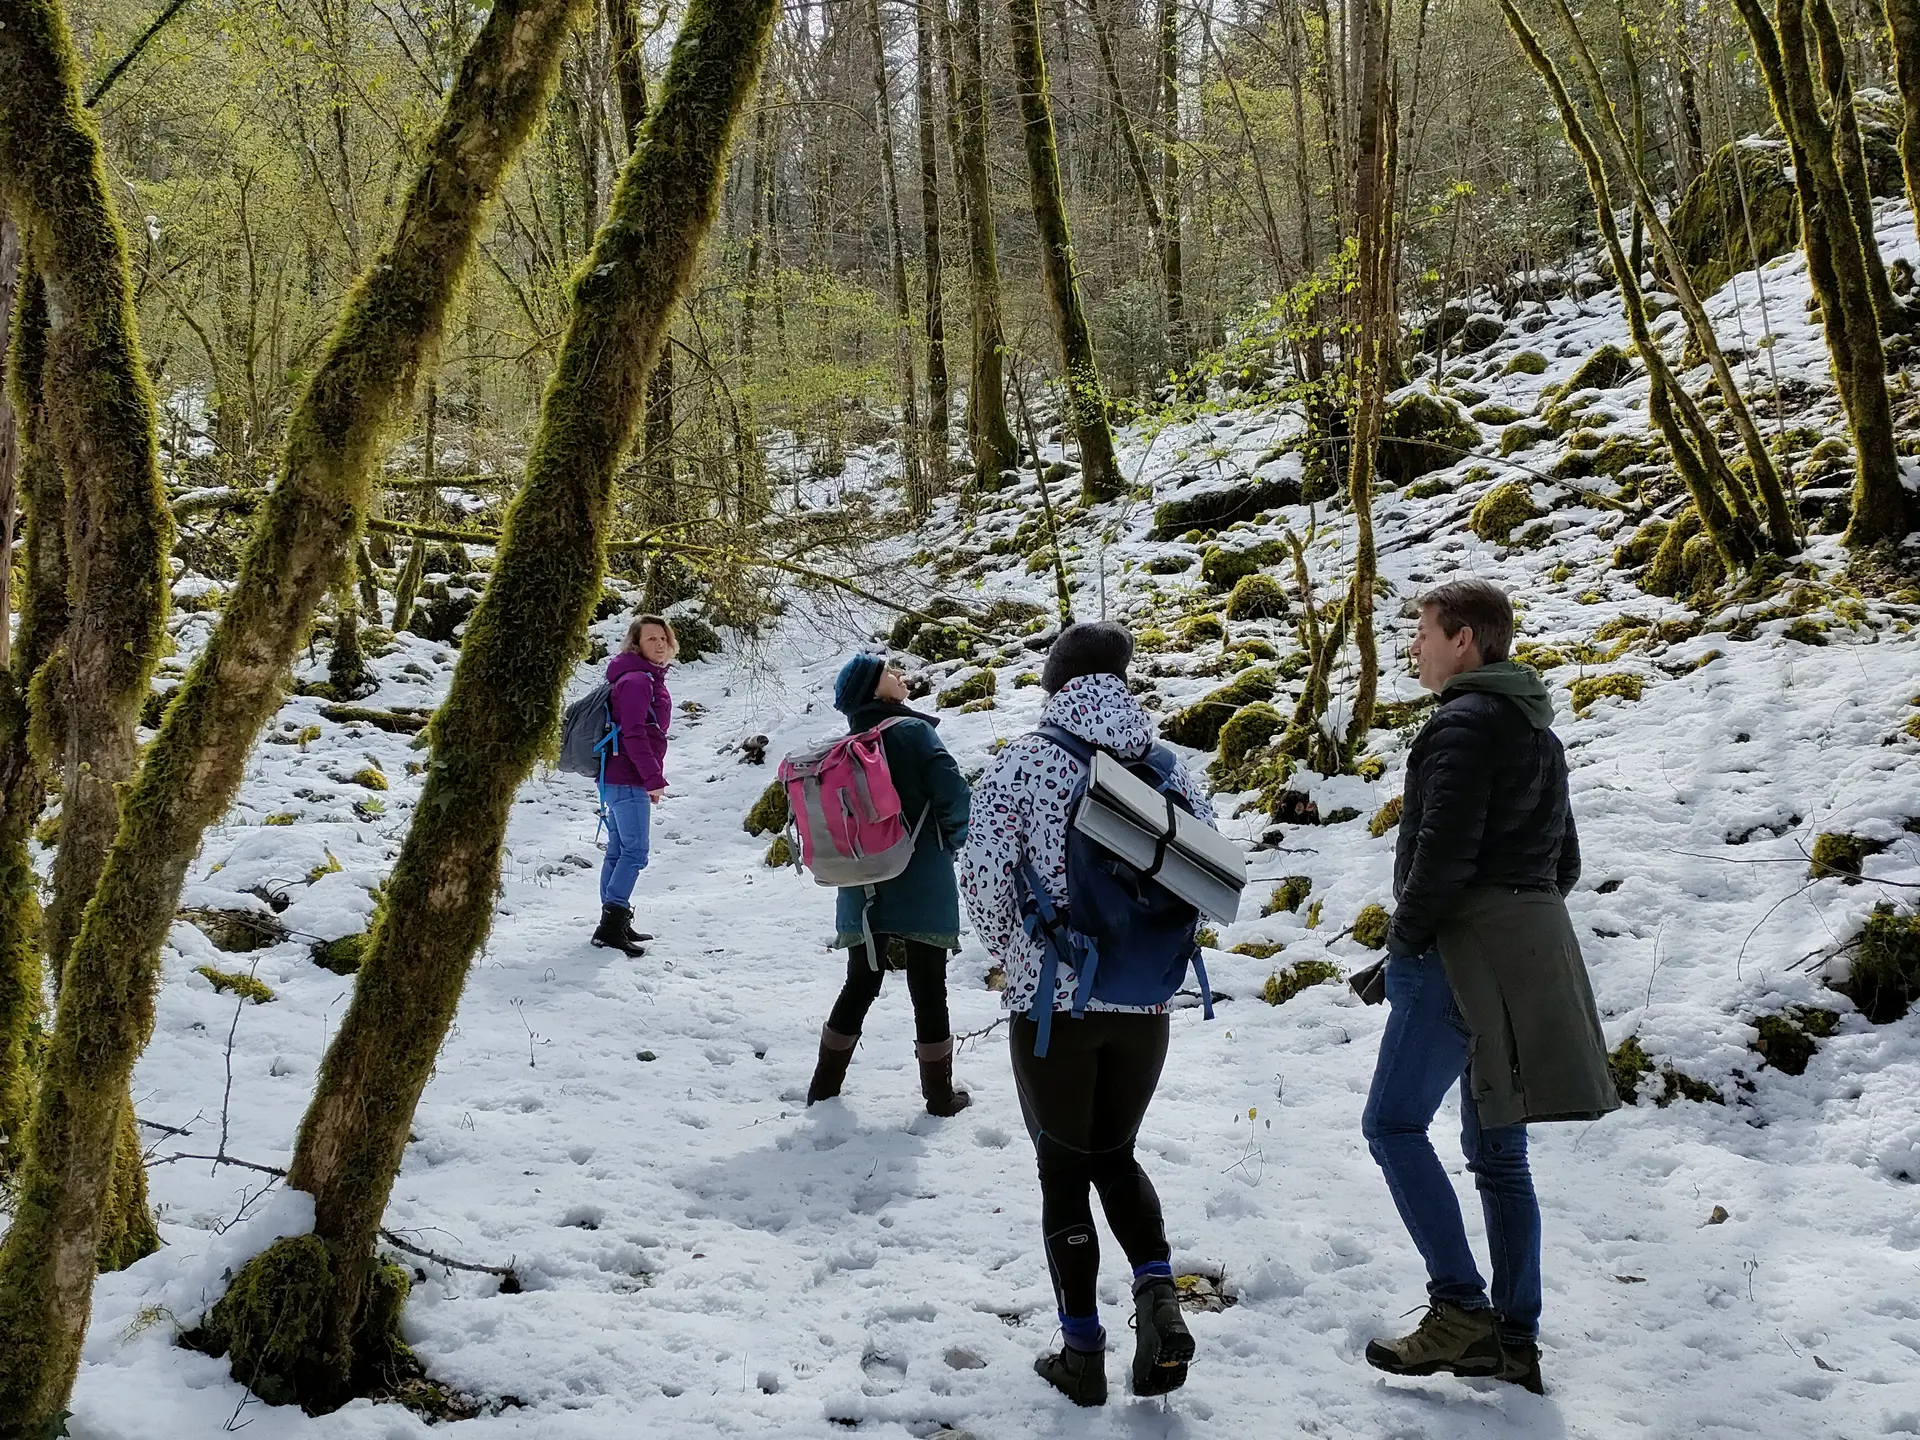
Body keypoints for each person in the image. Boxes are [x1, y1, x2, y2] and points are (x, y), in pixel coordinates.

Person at [1361, 577, 1618, 1396]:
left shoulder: (1462, 724)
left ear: (1465, 639)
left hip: (1456, 953)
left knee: (1393, 1124)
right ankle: (1514, 1339)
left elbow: (1442, 857)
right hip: (1522, 955)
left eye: (1424, 633)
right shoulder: (1536, 729)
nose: (1415, 647)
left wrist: (1404, 945)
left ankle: (1458, 1310)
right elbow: (1563, 863)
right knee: (1501, 1156)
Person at [961, 621, 1207, 1407]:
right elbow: (1206, 873)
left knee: (1063, 1170)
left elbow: (984, 879)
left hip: (1053, 1006)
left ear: (1055, 685)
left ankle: (1081, 1353)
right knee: (1118, 1154)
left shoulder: (1025, 762)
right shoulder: (1166, 765)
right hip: (1146, 998)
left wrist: (1013, 952)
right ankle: (1159, 1303)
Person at [805, 652, 974, 1117]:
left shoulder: (848, 745)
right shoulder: (914, 732)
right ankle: (939, 1096)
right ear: (874, 690)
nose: (899, 677)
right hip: (920, 873)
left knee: (861, 980)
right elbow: (953, 794)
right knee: (928, 983)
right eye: (888, 673)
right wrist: (954, 840)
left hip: (862, 879)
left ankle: (823, 1088)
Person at [592, 614, 677, 956]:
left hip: (619, 777)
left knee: (618, 851)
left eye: (663, 638)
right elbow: (634, 734)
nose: (659, 644)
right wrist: (652, 779)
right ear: (636, 645)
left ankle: (614, 922)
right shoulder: (638, 681)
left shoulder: (641, 678)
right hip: (627, 777)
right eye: (650, 639)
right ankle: (610, 926)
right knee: (635, 853)